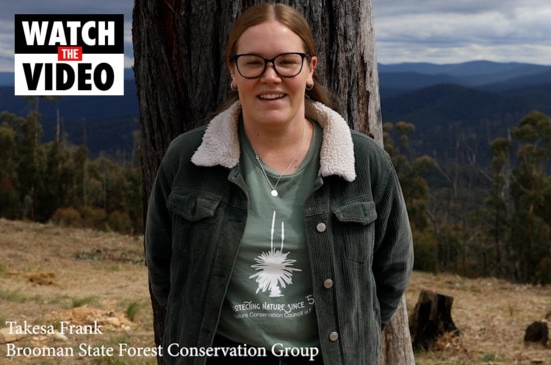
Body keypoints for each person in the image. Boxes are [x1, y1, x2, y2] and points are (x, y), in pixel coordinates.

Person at [145, 3, 413, 364]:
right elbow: (163, 268)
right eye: (253, 62)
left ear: (309, 70)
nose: (270, 76)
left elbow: (392, 270)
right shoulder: (187, 159)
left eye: (286, 61)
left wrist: (352, 336)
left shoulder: (364, 164)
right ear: (233, 72)